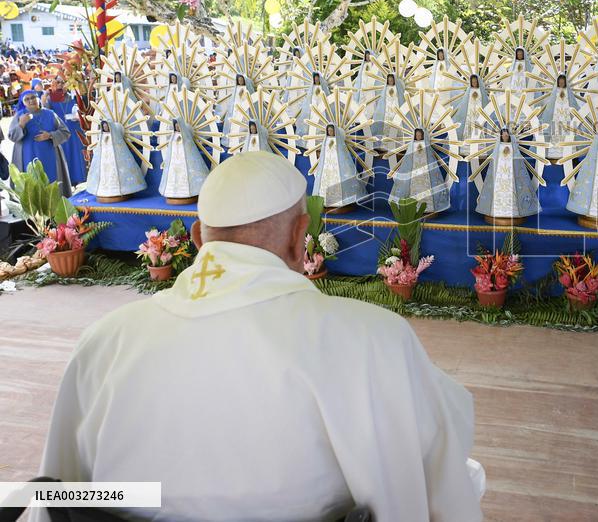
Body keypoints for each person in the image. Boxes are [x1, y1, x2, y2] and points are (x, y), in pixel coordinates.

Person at [32, 152, 484, 521]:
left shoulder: (105, 342)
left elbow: (55, 497)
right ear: (299, 237)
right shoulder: (373, 340)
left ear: (196, 238)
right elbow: (435, 489)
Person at [7, 91, 72, 196]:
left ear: (38, 98)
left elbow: (65, 132)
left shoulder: (50, 114)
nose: (31, 100)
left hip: (50, 157)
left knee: (52, 185)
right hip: (27, 157)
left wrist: (50, 135)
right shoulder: (19, 116)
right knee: (31, 187)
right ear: (23, 102)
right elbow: (11, 136)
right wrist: (21, 124)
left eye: (33, 97)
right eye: (27, 99)